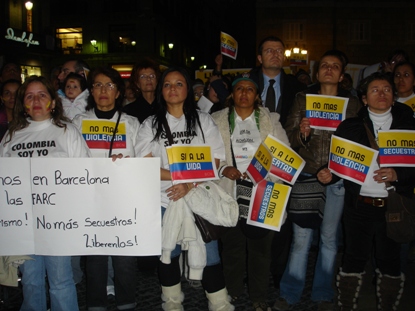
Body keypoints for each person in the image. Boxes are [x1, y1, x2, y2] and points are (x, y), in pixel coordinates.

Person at [136, 67, 234, 311]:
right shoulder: (150, 124)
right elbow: (145, 162)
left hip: (198, 197)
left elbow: (215, 160)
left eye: (179, 84)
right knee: (169, 251)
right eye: (167, 84)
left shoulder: (203, 121)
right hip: (163, 198)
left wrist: (189, 185)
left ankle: (219, 303)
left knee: (210, 253)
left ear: (188, 90)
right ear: (161, 90)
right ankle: (171, 302)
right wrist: (177, 179)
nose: (172, 88)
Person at [317, 72, 415, 310]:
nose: (381, 94)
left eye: (386, 90)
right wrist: (327, 175)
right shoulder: (349, 127)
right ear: (363, 98)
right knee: (353, 257)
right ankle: (347, 305)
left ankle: (388, 306)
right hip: (358, 206)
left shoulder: (409, 126)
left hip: (393, 207)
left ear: (393, 97)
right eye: (375, 90)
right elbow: (339, 167)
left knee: (390, 261)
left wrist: (398, 175)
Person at [274, 50, 361, 311]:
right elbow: (288, 138)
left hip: (336, 178)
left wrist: (334, 170)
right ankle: (289, 293)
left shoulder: (353, 103)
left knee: (329, 238)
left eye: (335, 66)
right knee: (301, 238)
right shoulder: (303, 98)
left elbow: (357, 144)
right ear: (316, 71)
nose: (329, 69)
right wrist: (302, 134)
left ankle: (322, 294)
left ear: (342, 75)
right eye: (325, 65)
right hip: (307, 174)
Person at [0, 75, 91, 310]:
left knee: (61, 281)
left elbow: (85, 173)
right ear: (23, 103)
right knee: (30, 281)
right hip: (24, 225)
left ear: (52, 101)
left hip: (58, 224)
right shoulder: (11, 136)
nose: (36, 100)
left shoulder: (67, 131)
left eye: (42, 95)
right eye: (30, 96)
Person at [211, 73, 290, 311]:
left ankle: (258, 297)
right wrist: (224, 168)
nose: (244, 93)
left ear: (257, 96)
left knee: (261, 251)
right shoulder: (216, 121)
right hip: (229, 193)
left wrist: (265, 175)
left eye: (249, 89)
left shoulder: (271, 121)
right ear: (232, 95)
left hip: (262, 194)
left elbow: (284, 156)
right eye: (239, 89)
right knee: (232, 248)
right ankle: (232, 292)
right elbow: (208, 155)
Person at [72, 66, 139, 311]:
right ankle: (96, 304)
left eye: (109, 85)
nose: (103, 90)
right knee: (95, 259)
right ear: (91, 90)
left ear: (118, 92)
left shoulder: (131, 123)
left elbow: (143, 160)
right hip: (91, 201)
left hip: (122, 201)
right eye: (98, 85)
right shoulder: (78, 122)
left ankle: (127, 302)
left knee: (124, 258)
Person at [249, 36, 306, 127]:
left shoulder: (296, 88)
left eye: (279, 51)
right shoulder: (247, 83)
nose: (275, 54)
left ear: (284, 57)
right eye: (269, 51)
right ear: (260, 58)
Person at [123, 58, 160, 123]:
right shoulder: (128, 111)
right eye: (143, 76)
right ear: (137, 83)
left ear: (157, 81)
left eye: (152, 76)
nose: (148, 79)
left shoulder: (166, 107)